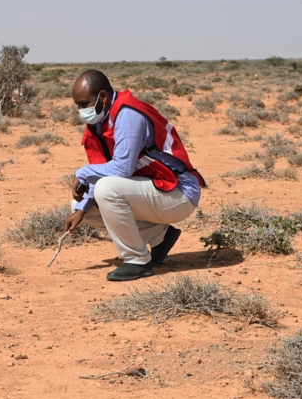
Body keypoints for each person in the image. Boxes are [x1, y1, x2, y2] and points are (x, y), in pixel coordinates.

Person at [63, 69, 205, 282]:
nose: (81, 111)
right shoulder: (101, 121)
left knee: (107, 190)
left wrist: (83, 172)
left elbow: (122, 169)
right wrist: (83, 208)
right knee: (81, 206)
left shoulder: (128, 115)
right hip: (155, 188)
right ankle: (160, 238)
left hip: (180, 192)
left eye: (84, 104)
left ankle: (137, 261)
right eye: (78, 105)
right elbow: (104, 169)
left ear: (103, 96)